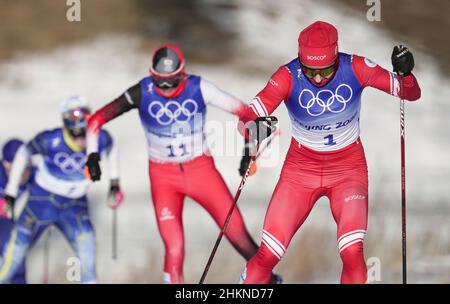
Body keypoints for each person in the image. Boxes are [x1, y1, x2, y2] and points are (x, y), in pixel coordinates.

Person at [238, 21, 421, 284]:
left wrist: (406, 75)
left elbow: (410, 93)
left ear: (336, 57)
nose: (318, 79)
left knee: (352, 252)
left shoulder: (356, 67)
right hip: (300, 172)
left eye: (325, 70)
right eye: (310, 70)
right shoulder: (287, 76)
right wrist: (253, 128)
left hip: (348, 171)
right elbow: (247, 116)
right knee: (268, 254)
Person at [85, 44, 281, 284]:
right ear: (151, 75)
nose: (166, 88)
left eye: (172, 81)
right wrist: (92, 155)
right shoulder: (141, 92)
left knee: (239, 236)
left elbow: (246, 113)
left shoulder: (199, 86)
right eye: (160, 82)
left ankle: (271, 282)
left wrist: (250, 150)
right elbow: (96, 120)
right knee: (174, 247)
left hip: (201, 171)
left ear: (183, 73)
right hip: (163, 177)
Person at [0, 96, 123, 284]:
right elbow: (24, 152)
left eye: (85, 133)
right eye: (78, 134)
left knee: (87, 254)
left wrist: (114, 183)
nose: (83, 141)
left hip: (75, 205)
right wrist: (10, 194)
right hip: (42, 202)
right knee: (14, 255)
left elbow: (112, 146)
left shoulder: (100, 138)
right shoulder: (50, 139)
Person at [0, 139, 34, 283]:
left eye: (26, 168)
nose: (23, 174)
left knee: (17, 258)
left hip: (13, 221)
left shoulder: (34, 175)